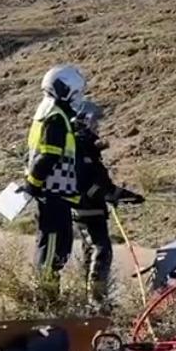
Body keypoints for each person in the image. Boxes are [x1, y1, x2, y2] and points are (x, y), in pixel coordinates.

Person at [71, 98, 143, 311]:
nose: (97, 127)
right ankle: (96, 301)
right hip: (86, 209)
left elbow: (102, 184)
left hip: (92, 209)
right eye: (95, 122)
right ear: (84, 120)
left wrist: (124, 195)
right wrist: (112, 195)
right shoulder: (79, 147)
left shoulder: (86, 148)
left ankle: (91, 301)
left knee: (91, 253)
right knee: (101, 250)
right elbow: (88, 183)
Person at [23, 64, 87, 278]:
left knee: (59, 247)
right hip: (52, 194)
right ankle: (44, 299)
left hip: (56, 193)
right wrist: (32, 184)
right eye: (76, 93)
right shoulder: (55, 117)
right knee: (51, 248)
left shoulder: (49, 112)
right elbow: (48, 156)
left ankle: (49, 296)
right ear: (64, 90)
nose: (77, 98)